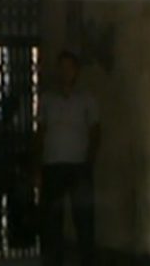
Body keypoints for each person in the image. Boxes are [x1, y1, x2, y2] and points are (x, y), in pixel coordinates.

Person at [35, 50, 101, 266]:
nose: (65, 72)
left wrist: (89, 161)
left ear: (76, 71)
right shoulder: (47, 99)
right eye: (62, 67)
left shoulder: (87, 99)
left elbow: (95, 131)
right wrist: (37, 164)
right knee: (52, 219)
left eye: (69, 68)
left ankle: (87, 261)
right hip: (52, 165)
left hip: (78, 165)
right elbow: (40, 131)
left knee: (84, 218)